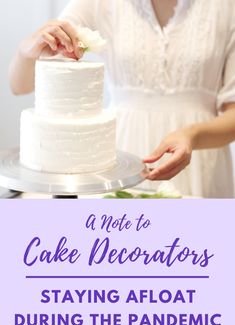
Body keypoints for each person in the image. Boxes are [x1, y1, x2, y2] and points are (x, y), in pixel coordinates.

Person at [9, 0, 235, 197]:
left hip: (202, 161)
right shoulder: (101, 3)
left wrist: (191, 136)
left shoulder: (226, 6)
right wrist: (25, 51)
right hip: (118, 157)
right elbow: (20, 85)